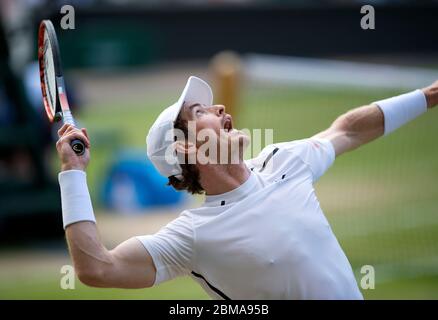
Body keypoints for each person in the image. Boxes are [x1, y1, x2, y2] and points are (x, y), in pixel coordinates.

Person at [56, 76, 437, 299]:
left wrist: (430, 95)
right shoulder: (192, 236)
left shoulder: (283, 160)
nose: (219, 108)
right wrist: (74, 173)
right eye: (199, 112)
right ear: (185, 147)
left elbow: (349, 129)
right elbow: (97, 269)